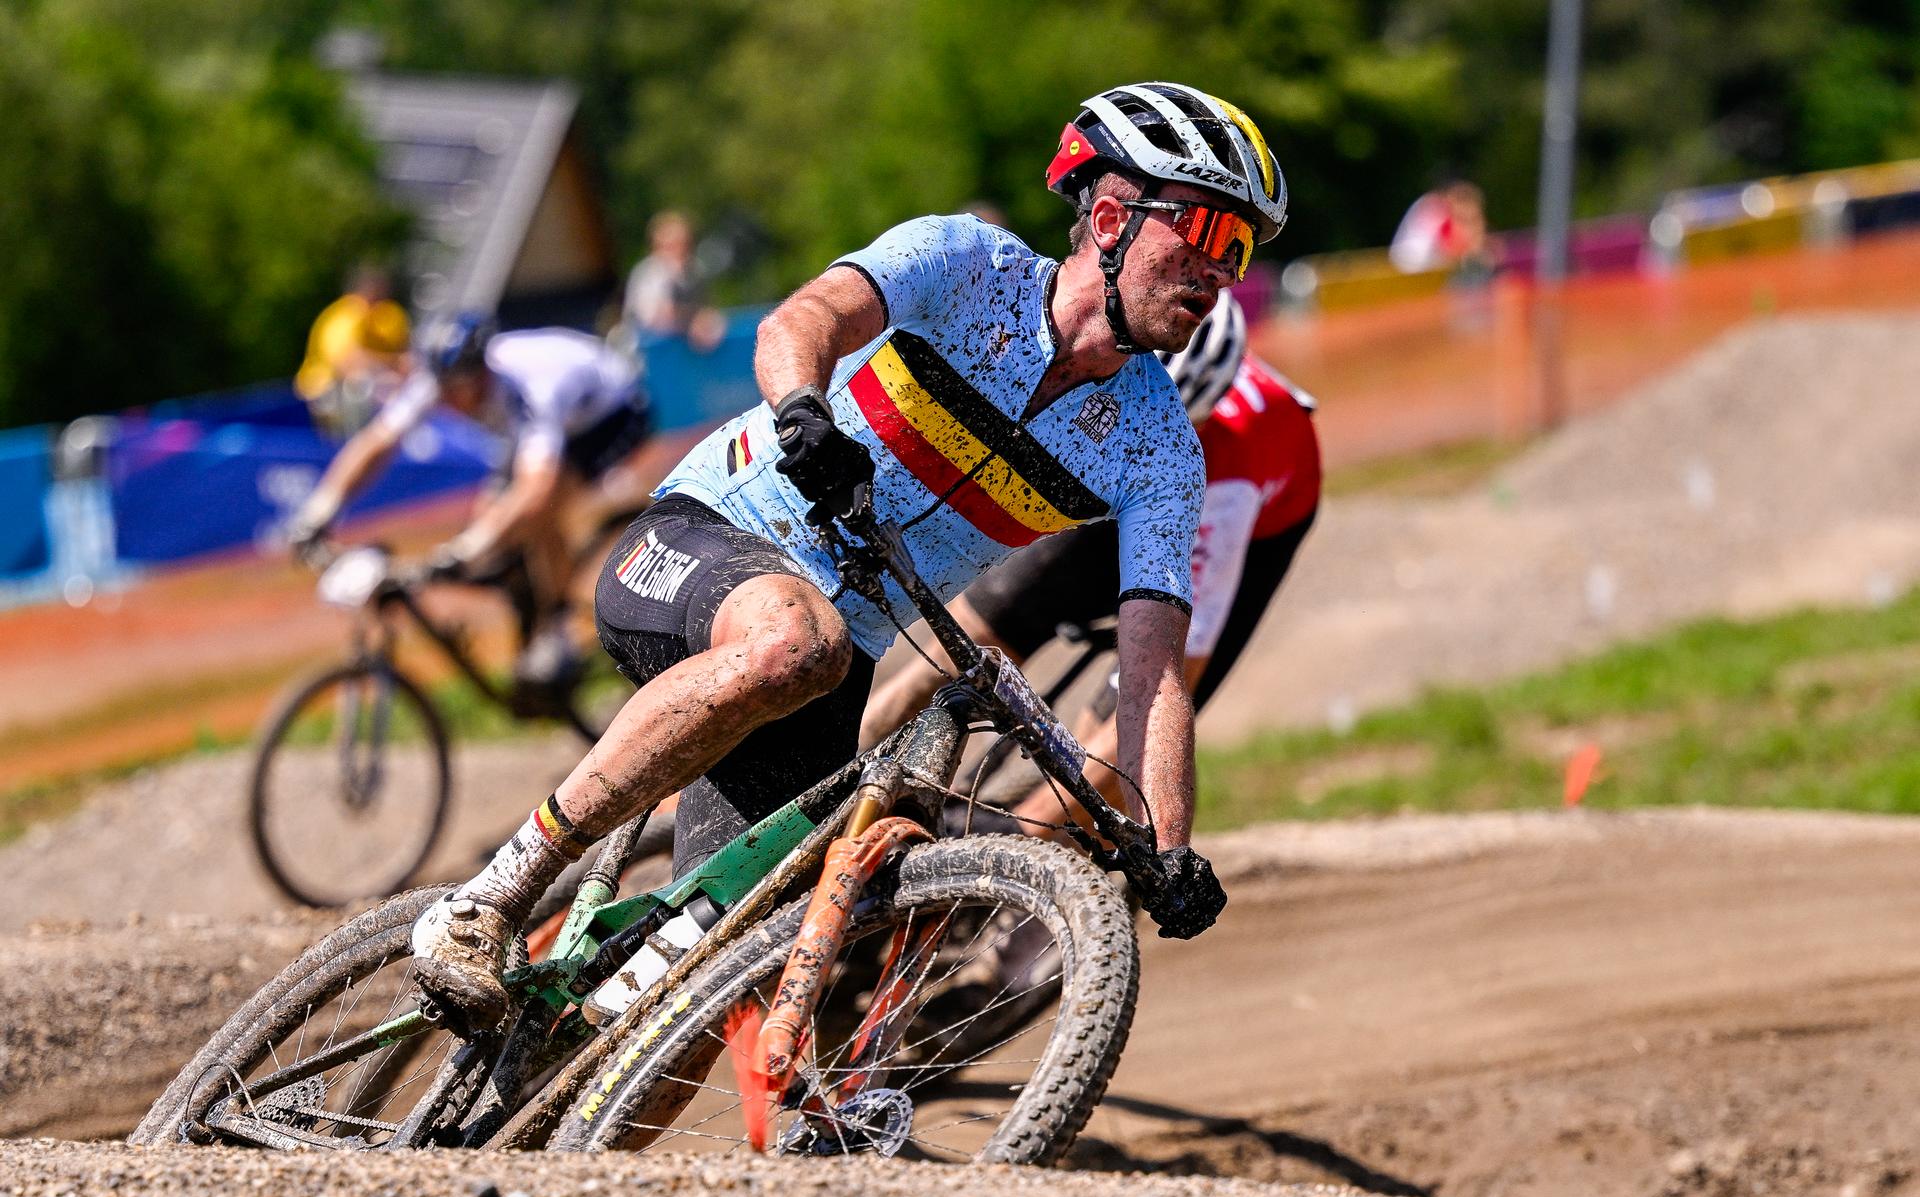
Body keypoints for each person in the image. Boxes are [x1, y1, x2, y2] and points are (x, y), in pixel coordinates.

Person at [408, 80, 1290, 1028]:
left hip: (831, 668)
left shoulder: (1160, 447)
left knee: (714, 999)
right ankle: (489, 898)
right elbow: (804, 322)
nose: (1219, 270)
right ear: (1110, 217)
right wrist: (802, 412)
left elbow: (1154, 671)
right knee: (801, 641)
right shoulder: (967, 262)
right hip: (710, 536)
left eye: (1238, 251)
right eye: (1202, 231)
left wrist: (1170, 843)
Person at [860, 291, 1321, 839]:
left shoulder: (1233, 474)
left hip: (1251, 524)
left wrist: (1015, 839)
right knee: (961, 645)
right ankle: (826, 788)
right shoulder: (1107, 360)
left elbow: (1167, 686)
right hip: (1123, 489)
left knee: (1135, 723)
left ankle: (1027, 852)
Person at [285, 313, 653, 696]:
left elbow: (536, 490)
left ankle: (556, 626)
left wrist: (467, 548)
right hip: (531, 430)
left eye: (458, 392)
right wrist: (319, 511)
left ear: (482, 376)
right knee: (492, 522)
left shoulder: (531, 386)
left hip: (611, 412)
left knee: (539, 511)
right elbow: (376, 444)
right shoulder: (439, 379)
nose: (450, 403)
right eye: (443, 392)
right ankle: (527, 607)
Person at [294, 266, 413, 438]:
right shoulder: (346, 314)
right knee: (360, 384)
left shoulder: (386, 316)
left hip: (357, 391)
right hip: (323, 391)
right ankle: (354, 444)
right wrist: (391, 367)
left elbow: (406, 355)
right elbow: (346, 361)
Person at [623, 210, 726, 350]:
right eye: (672, 245)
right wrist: (692, 321)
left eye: (684, 244)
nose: (680, 251)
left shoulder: (695, 271)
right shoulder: (648, 274)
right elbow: (654, 317)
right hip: (646, 354)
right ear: (657, 246)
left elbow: (707, 310)